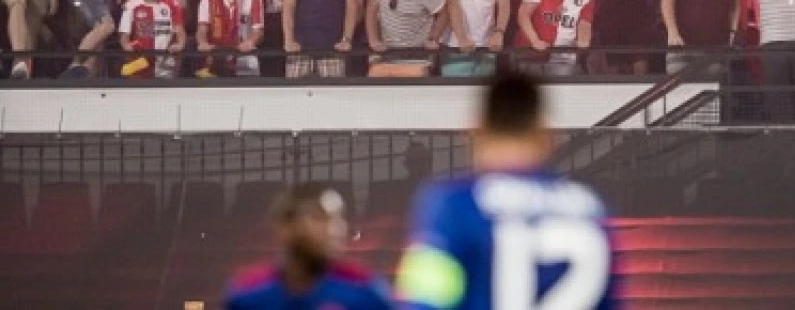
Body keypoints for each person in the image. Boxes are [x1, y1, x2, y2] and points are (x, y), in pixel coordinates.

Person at [396, 71, 618, 310]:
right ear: (546, 136)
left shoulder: (454, 204)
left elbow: (426, 301)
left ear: (475, 133)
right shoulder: (589, 208)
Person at [226, 184, 392, 310]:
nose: (333, 229)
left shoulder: (364, 292)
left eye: (338, 220)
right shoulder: (250, 296)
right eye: (319, 218)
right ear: (285, 226)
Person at [197, 0, 265, 78]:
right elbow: (202, 30)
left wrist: (250, 42)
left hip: (245, 61)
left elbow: (258, 31)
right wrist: (202, 42)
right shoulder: (206, 1)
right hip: (216, 61)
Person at [118, 0, 186, 78]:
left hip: (165, 65)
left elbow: (180, 33)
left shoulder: (172, 5)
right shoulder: (131, 6)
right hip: (139, 65)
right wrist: (131, 49)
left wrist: (179, 45)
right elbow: (124, 39)